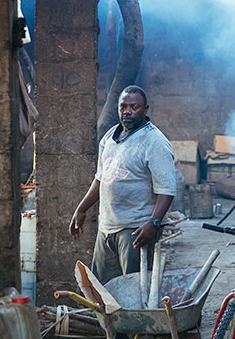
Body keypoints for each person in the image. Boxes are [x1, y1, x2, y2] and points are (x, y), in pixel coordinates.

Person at [69, 85, 176, 284]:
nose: (127, 111)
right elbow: (102, 178)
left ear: (145, 109)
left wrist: (153, 223)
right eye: (123, 106)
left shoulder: (154, 142)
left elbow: (167, 189)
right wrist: (81, 209)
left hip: (135, 229)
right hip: (107, 228)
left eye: (134, 107)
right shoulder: (109, 138)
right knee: (104, 290)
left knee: (134, 288)